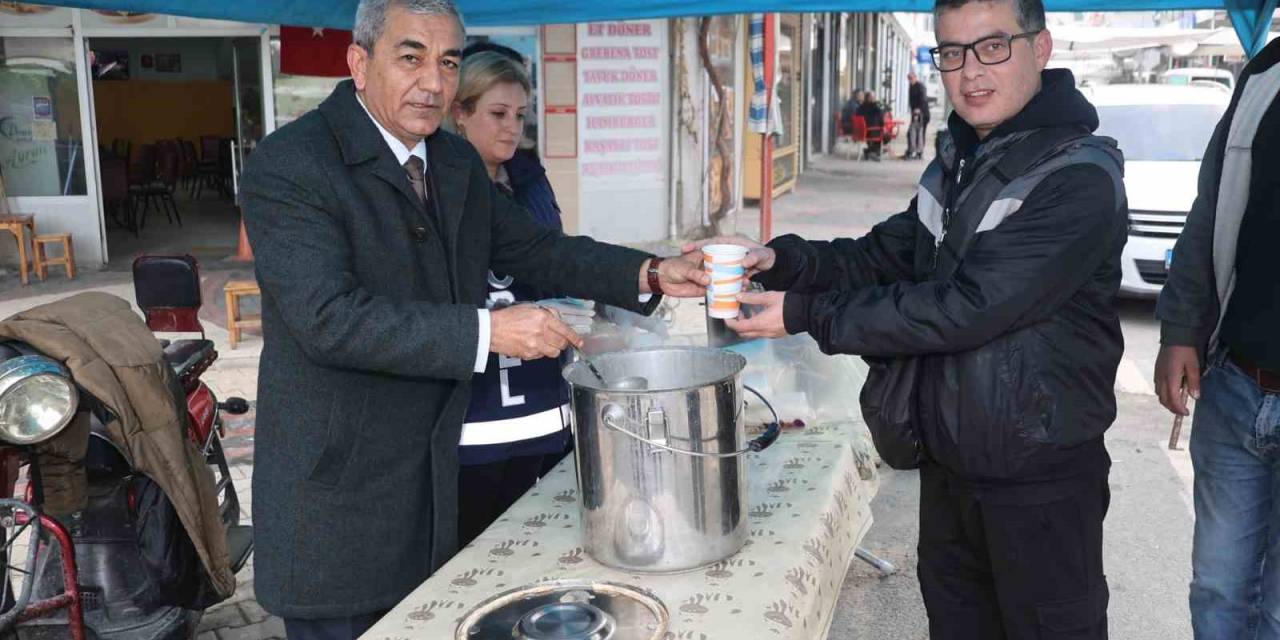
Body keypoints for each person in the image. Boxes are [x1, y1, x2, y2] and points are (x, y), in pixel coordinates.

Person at [239, 1, 707, 637]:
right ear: (358, 61)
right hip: (341, 499)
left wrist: (652, 272)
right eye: (411, 57)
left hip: (437, 492)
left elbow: (537, 248)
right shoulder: (292, 163)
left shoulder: (453, 163)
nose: (432, 82)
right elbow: (327, 318)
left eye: (448, 61)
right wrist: (492, 332)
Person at [688, 0, 1127, 635]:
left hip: (1038, 474)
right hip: (950, 458)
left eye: (992, 46)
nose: (970, 71)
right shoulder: (961, 162)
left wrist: (807, 314)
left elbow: (967, 307)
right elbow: (883, 255)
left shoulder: (1077, 177)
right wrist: (778, 261)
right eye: (951, 52)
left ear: (1042, 47)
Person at [1154, 37, 1280, 639]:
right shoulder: (1268, 71)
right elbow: (1210, 208)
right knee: (1218, 591)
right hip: (1238, 388)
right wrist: (1181, 331)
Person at [449, 50, 573, 548]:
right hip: (477, 417)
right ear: (460, 113)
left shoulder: (527, 176)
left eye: (520, 115)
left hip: (543, 400)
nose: (511, 129)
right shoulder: (439, 188)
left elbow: (556, 257)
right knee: (475, 548)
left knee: (538, 542)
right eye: (497, 114)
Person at [906, 71, 931, 159]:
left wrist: (918, 109)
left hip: (923, 114)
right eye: (909, 79)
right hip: (915, 114)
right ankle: (912, 150)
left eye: (911, 78)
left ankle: (919, 152)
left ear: (915, 77)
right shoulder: (911, 87)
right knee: (911, 132)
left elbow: (923, 99)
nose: (910, 80)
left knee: (920, 133)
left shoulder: (920, 86)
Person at [856, 90, 886, 159]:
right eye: (873, 97)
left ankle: (872, 151)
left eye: (874, 97)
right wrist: (883, 127)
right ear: (869, 98)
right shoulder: (873, 107)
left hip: (861, 132)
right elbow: (881, 116)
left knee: (879, 132)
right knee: (886, 135)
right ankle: (870, 151)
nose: (874, 99)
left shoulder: (861, 107)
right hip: (869, 132)